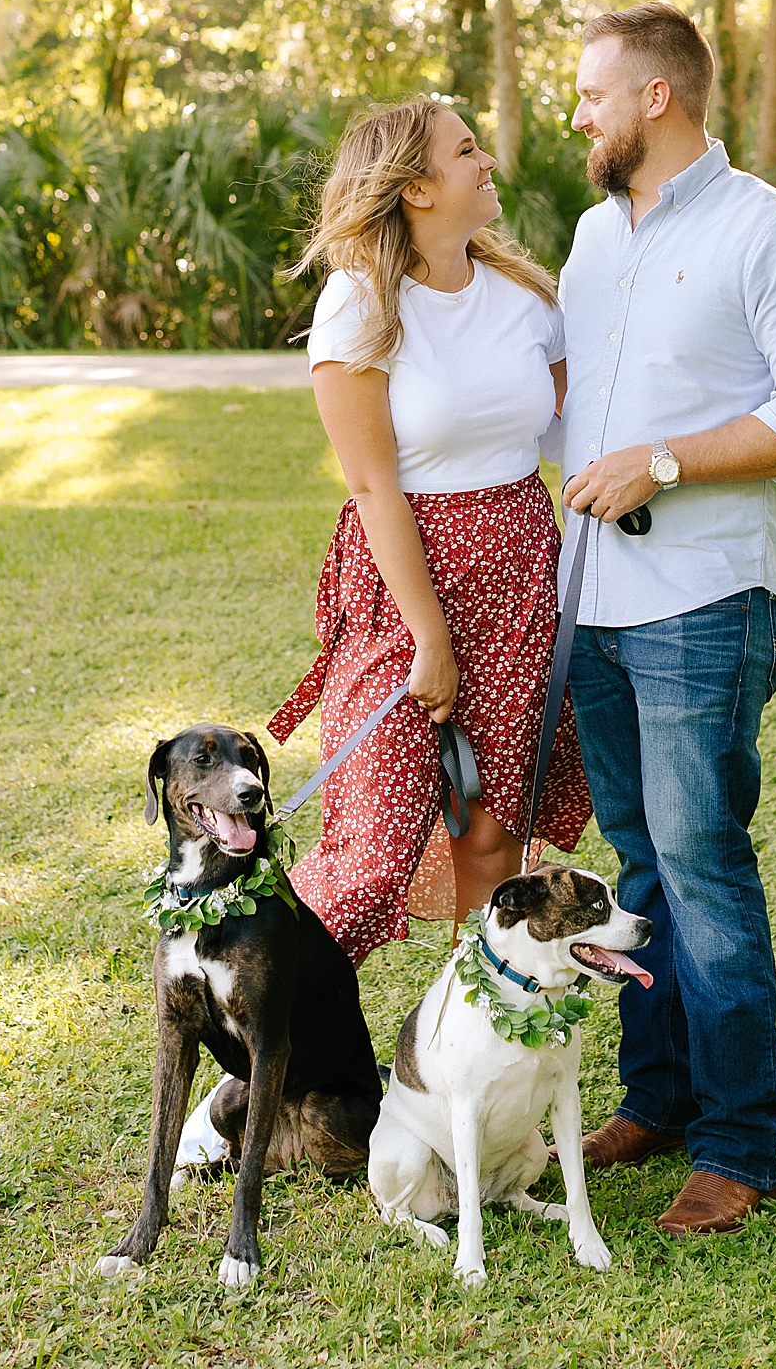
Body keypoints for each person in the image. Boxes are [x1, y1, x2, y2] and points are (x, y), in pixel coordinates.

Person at [556, 2, 776, 1237]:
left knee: (705, 869)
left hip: (702, 604)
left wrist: (666, 463)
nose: (579, 113)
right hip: (595, 604)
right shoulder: (589, 238)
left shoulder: (766, 232)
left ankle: (740, 1143)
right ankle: (661, 1097)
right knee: (638, 867)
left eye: (592, 93)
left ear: (657, 99)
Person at [267, 96, 591, 966]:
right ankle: (257, 1065)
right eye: (466, 149)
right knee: (369, 857)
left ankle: (469, 1046)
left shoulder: (525, 297)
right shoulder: (359, 304)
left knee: (494, 839)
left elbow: (577, 424)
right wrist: (428, 634)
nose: (487, 162)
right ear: (415, 186)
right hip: (402, 582)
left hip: (522, 573)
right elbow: (373, 488)